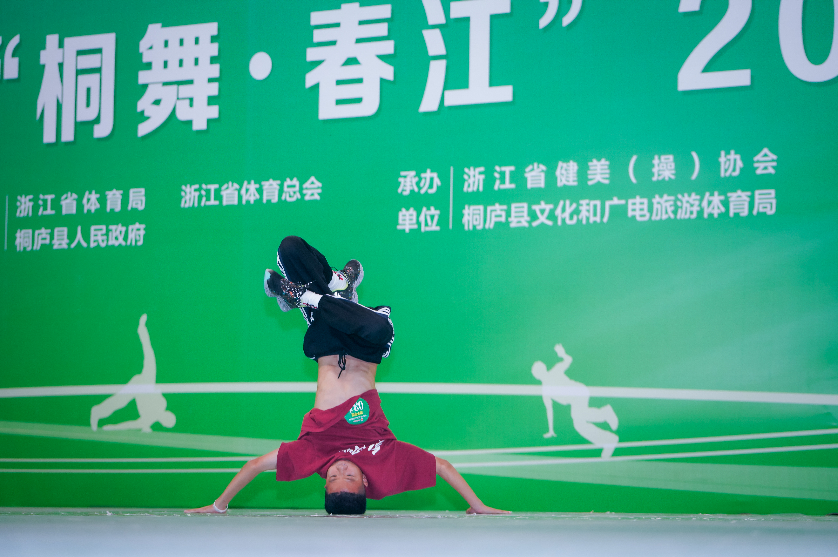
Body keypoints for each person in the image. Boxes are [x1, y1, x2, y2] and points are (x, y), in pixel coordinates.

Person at [185, 236, 508, 515]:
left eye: (332, 478)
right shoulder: (385, 456)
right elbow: (442, 467)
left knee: (290, 248)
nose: (339, 470)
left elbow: (255, 466)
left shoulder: (311, 455)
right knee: (379, 327)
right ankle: (324, 292)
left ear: (323, 482)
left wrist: (219, 505)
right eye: (349, 477)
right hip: (366, 344)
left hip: (326, 338)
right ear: (365, 481)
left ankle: (326, 292)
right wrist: (477, 505)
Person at [90, 314, 176, 433]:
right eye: (169, 417)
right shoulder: (163, 405)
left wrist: (112, 428)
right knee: (150, 356)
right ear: (168, 413)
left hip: (138, 388)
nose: (166, 417)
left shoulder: (148, 420)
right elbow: (157, 393)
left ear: (163, 423)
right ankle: (141, 328)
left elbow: (132, 425)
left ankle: (97, 412)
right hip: (147, 382)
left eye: (167, 421)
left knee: (120, 401)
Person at [531, 343, 618, 458]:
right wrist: (551, 430)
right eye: (538, 373)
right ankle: (609, 440)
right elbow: (549, 410)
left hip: (579, 391)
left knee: (578, 417)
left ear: (543, 370)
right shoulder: (545, 391)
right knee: (579, 424)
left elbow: (568, 360)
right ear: (536, 376)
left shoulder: (555, 371)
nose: (540, 375)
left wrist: (562, 354)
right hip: (574, 400)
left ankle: (605, 416)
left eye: (540, 371)